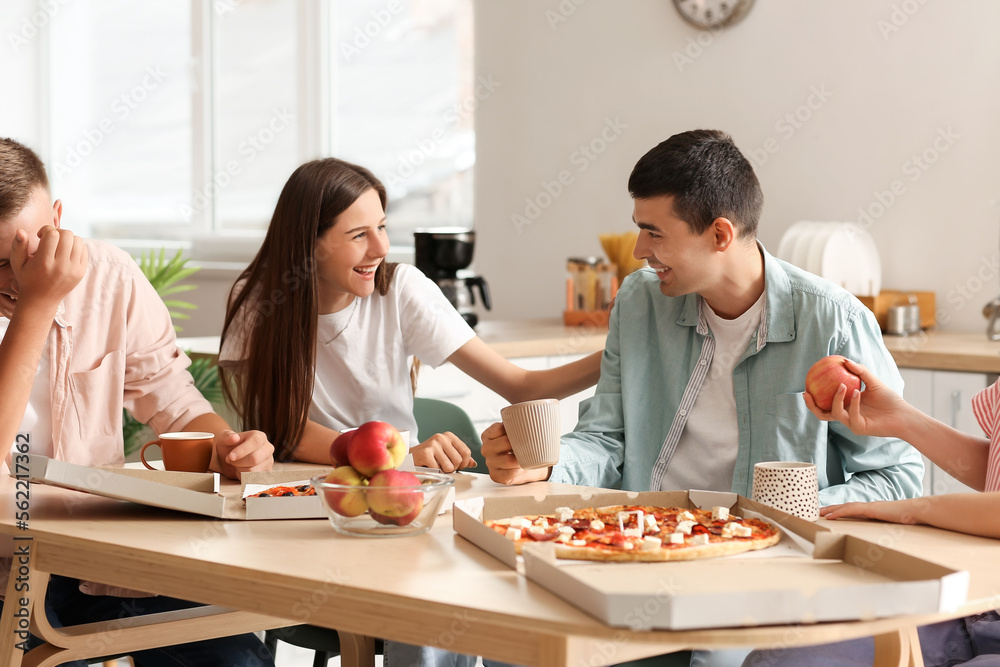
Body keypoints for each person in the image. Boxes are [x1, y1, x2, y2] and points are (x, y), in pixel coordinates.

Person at [480, 129, 923, 667]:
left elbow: (898, 478)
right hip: (637, 549)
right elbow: (607, 436)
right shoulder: (640, 302)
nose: (640, 251)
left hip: (761, 573)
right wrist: (545, 467)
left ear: (719, 234)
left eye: (654, 233)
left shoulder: (832, 321)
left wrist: (793, 513)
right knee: (514, 646)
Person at [217, 156, 601, 667]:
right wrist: (390, 456)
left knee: (457, 591)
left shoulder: (400, 290)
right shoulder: (258, 301)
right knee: (428, 599)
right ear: (308, 242)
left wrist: (615, 352)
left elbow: (520, 385)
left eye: (381, 227)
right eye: (359, 235)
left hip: (401, 504)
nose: (380, 248)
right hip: (307, 510)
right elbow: (277, 433)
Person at [0, 137, 276, 667]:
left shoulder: (111, 276)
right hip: (13, 566)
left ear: (58, 219)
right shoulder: (36, 292)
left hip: (115, 551)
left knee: (240, 663)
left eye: (33, 254)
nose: (17, 278)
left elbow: (171, 397)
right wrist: (41, 299)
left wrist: (225, 444)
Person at [743, 359, 1000, 666]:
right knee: (777, 660)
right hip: (975, 602)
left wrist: (911, 509)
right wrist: (903, 418)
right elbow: (993, 469)